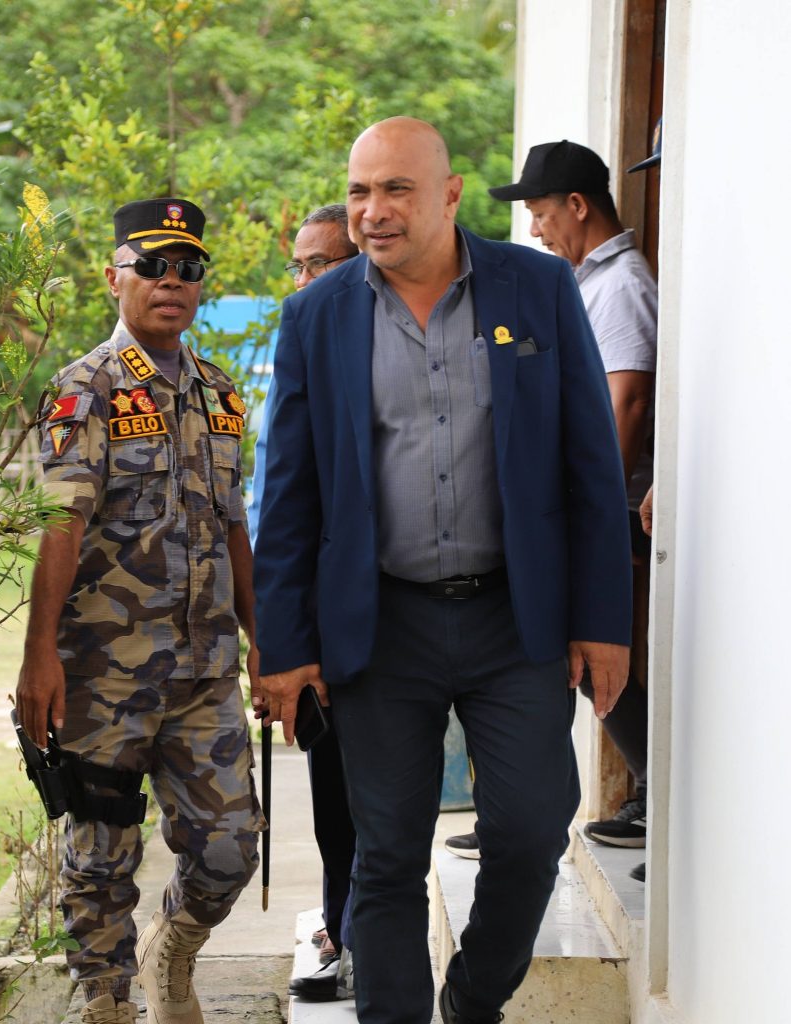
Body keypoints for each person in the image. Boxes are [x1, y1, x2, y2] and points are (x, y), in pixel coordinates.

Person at [253, 117, 633, 1024]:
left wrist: (603, 621)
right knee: (385, 853)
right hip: (381, 624)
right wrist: (285, 648)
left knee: (531, 830)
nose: (372, 212)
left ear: (451, 193)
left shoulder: (536, 288)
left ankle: (473, 998)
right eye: (358, 192)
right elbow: (288, 492)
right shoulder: (316, 314)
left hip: (515, 619)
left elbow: (589, 462)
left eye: (396, 190)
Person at [16, 198, 264, 1024]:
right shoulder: (83, 389)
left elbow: (233, 525)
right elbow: (61, 525)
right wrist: (38, 657)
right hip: (103, 675)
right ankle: (106, 1001)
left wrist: (262, 638)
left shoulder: (220, 392)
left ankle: (173, 949)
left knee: (231, 848)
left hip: (203, 673)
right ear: (113, 277)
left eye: (187, 268)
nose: (170, 281)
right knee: (100, 860)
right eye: (151, 265)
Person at [474, 139, 657, 856]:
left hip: (610, 510)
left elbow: (627, 401)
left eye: (542, 212)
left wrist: (591, 517)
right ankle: (529, 812)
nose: (535, 229)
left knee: (594, 654)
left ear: (577, 206)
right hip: (580, 507)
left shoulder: (621, 286)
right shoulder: (582, 281)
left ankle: (648, 796)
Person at [248, 205, 360, 1002]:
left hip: (379, 624)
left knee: (373, 802)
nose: (303, 280)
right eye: (298, 265)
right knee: (332, 798)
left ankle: (357, 938)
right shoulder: (299, 347)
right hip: (310, 625)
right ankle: (339, 927)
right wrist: (278, 638)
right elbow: (274, 507)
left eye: (319, 264)